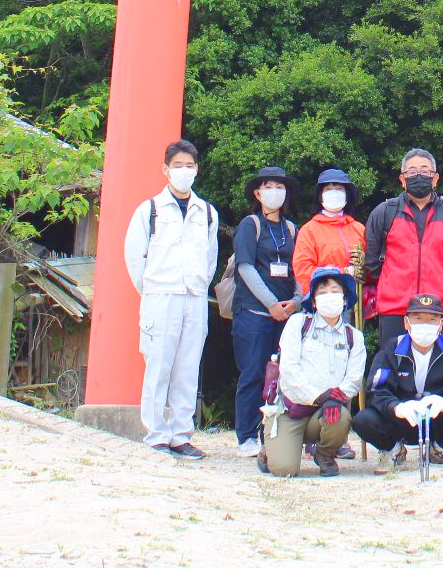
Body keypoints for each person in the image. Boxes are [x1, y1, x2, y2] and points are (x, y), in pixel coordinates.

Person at [122, 139, 218, 459]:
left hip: (194, 297)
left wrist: (197, 286)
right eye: (177, 166)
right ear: (165, 169)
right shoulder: (149, 209)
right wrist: (154, 289)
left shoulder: (206, 212)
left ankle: (181, 434)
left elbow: (210, 260)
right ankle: (156, 434)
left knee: (187, 369)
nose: (184, 171)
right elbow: (136, 258)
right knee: (158, 366)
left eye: (189, 166)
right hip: (161, 297)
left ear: (197, 170)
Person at [352, 293, 443, 472]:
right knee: (363, 420)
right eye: (418, 318)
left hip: (437, 418)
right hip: (402, 419)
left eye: (432, 319)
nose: (425, 324)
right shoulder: (392, 348)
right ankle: (393, 450)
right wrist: (396, 407)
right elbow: (375, 390)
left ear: (441, 324)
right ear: (406, 323)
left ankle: (442, 447)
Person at [261, 268, 366, 478]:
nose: (330, 296)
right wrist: (319, 396)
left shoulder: (354, 337)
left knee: (341, 416)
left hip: (326, 412)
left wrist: (335, 397)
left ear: (345, 300)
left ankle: (325, 454)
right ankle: (270, 448)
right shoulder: (298, 324)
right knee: (284, 470)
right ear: (314, 301)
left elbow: (354, 379)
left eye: (335, 291)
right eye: (322, 291)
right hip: (290, 411)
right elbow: (289, 370)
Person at [230, 165, 306, 459]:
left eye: (280, 186)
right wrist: (270, 303)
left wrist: (297, 301)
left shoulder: (291, 229)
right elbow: (246, 268)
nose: (275, 192)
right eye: (269, 186)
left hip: (286, 315)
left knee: (282, 377)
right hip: (253, 313)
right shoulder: (251, 225)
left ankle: (275, 434)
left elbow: (298, 267)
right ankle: (246, 436)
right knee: (252, 374)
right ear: (258, 193)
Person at [364, 148, 443, 345]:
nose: (419, 175)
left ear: (435, 178)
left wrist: (441, 279)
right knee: (394, 369)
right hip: (395, 307)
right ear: (402, 179)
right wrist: (391, 281)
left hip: (436, 309)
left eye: (425, 171)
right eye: (412, 172)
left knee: (436, 371)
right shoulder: (385, 212)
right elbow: (371, 260)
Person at [292, 168, 366, 294]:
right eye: (328, 189)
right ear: (320, 196)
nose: (334, 193)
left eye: (339, 188)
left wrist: (365, 267)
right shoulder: (309, 230)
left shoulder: (359, 229)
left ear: (347, 194)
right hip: (323, 299)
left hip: (357, 302)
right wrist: (343, 273)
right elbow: (303, 270)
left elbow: (373, 268)